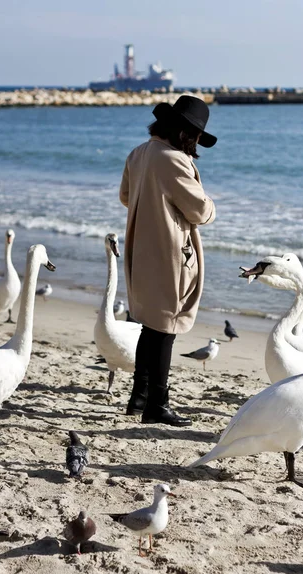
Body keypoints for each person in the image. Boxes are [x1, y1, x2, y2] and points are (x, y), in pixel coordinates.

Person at [119, 95, 217, 427]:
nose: (195, 144)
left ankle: (140, 397)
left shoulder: (140, 153)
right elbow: (199, 210)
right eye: (195, 136)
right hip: (168, 252)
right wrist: (211, 205)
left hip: (141, 249)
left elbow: (125, 196)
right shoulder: (173, 160)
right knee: (166, 328)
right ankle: (157, 405)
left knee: (151, 325)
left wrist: (151, 208)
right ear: (184, 132)